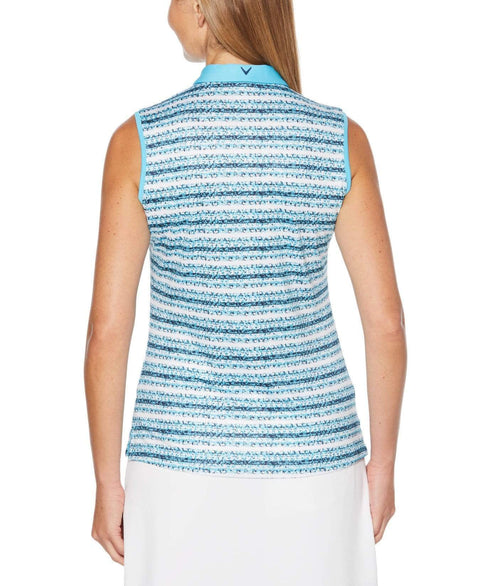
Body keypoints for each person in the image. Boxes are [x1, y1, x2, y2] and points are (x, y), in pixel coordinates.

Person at [84, 1, 406, 584]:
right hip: (316, 466)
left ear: (204, 10)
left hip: (176, 470)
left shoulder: (140, 141)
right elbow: (386, 324)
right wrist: (382, 466)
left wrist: (107, 481)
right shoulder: (338, 139)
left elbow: (107, 332)